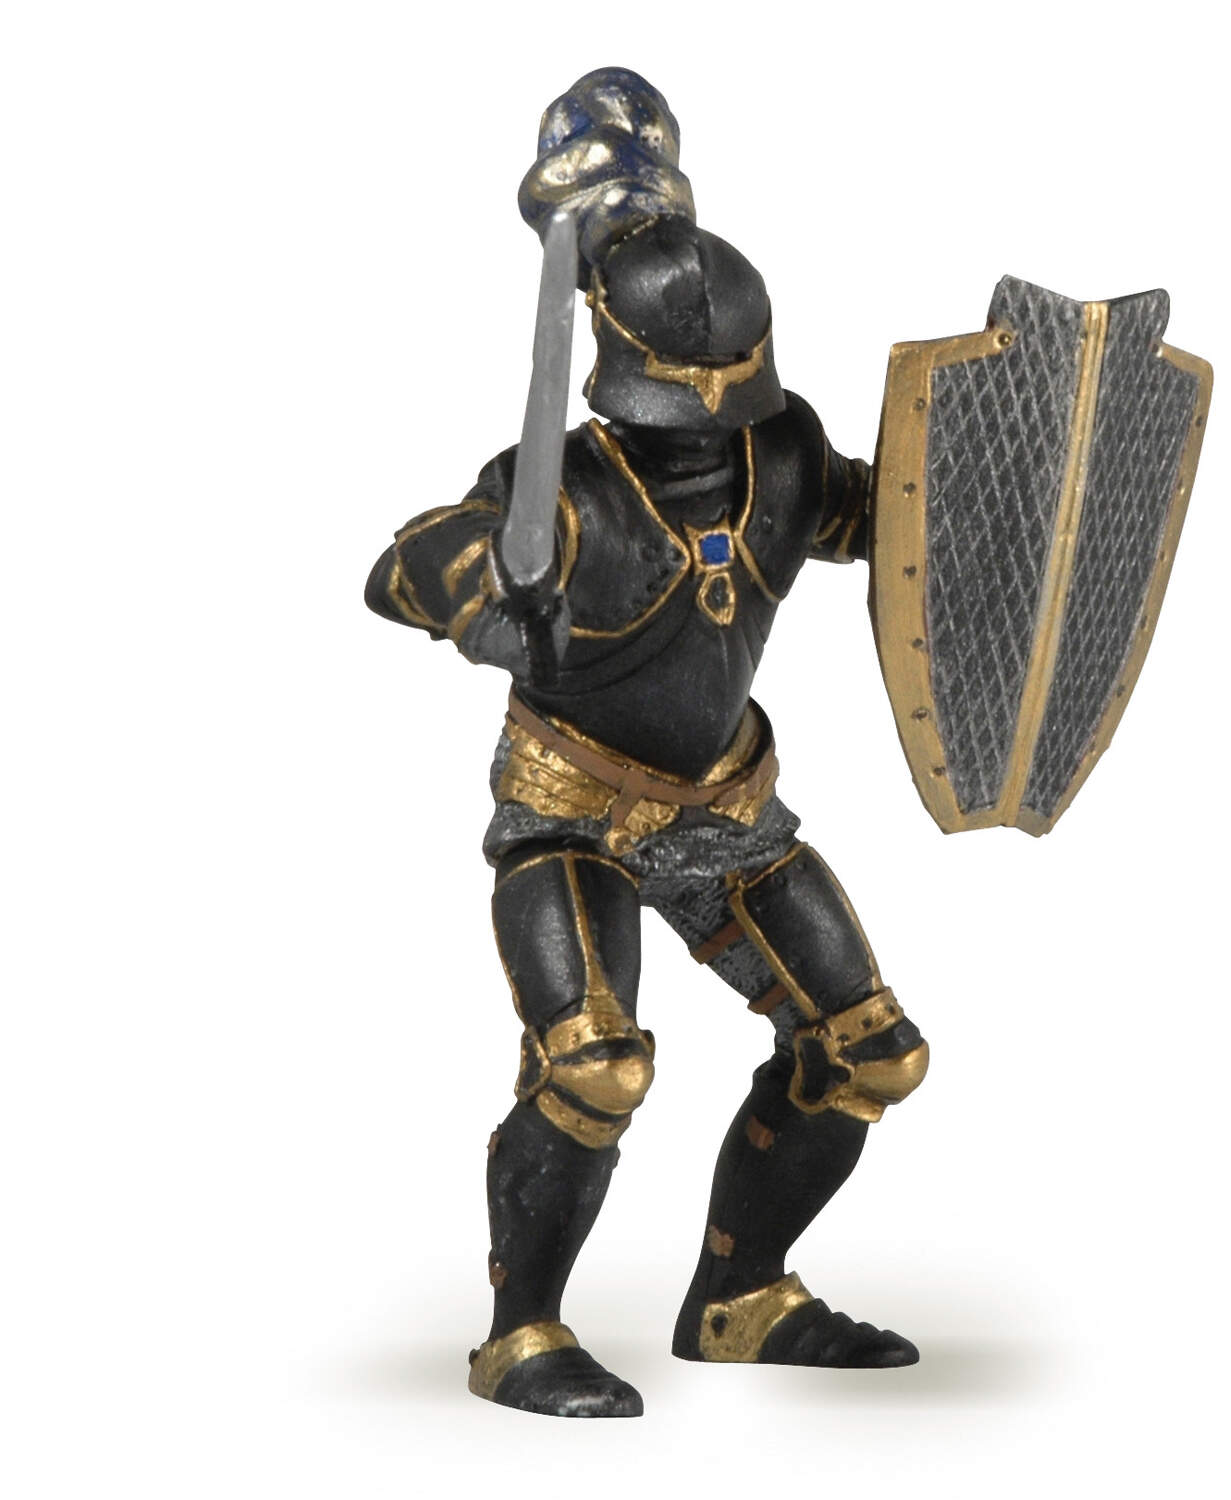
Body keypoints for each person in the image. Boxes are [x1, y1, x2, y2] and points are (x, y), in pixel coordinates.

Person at [365, 69, 928, 1419]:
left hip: (727, 809)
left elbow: (884, 521)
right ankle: (519, 1335)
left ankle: (742, 1299)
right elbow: (402, 575)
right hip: (572, 805)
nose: (712, 440)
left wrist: (977, 496)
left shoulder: (783, 454)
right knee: (593, 1064)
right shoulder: (561, 495)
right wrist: (463, 578)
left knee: (869, 1049)